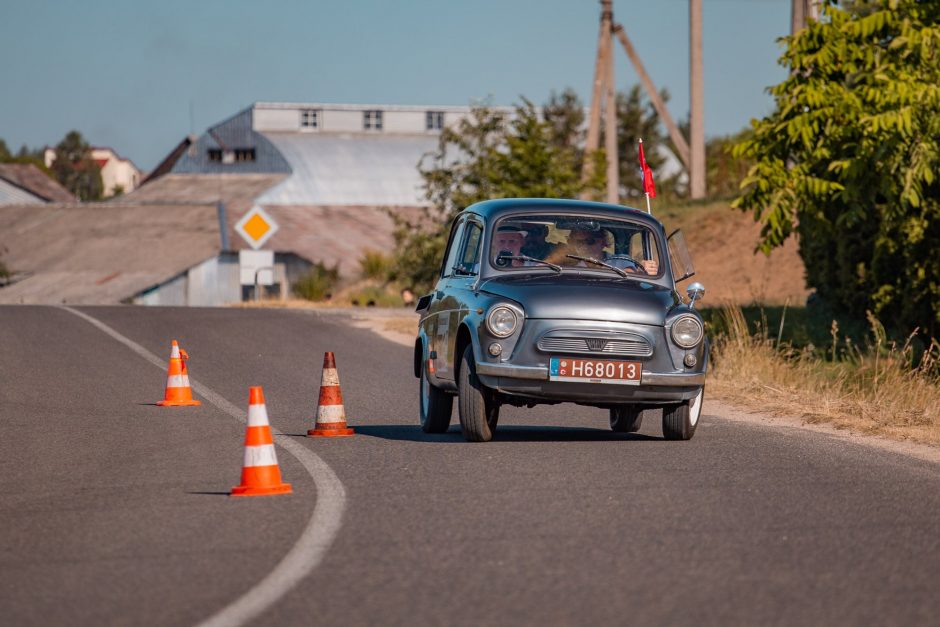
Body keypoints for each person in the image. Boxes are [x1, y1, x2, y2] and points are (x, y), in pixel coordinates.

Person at [562, 226, 659, 275]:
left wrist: (641, 270)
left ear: (603, 242)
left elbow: (629, 273)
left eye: (590, 241)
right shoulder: (565, 263)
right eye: (577, 242)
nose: (583, 246)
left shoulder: (620, 260)